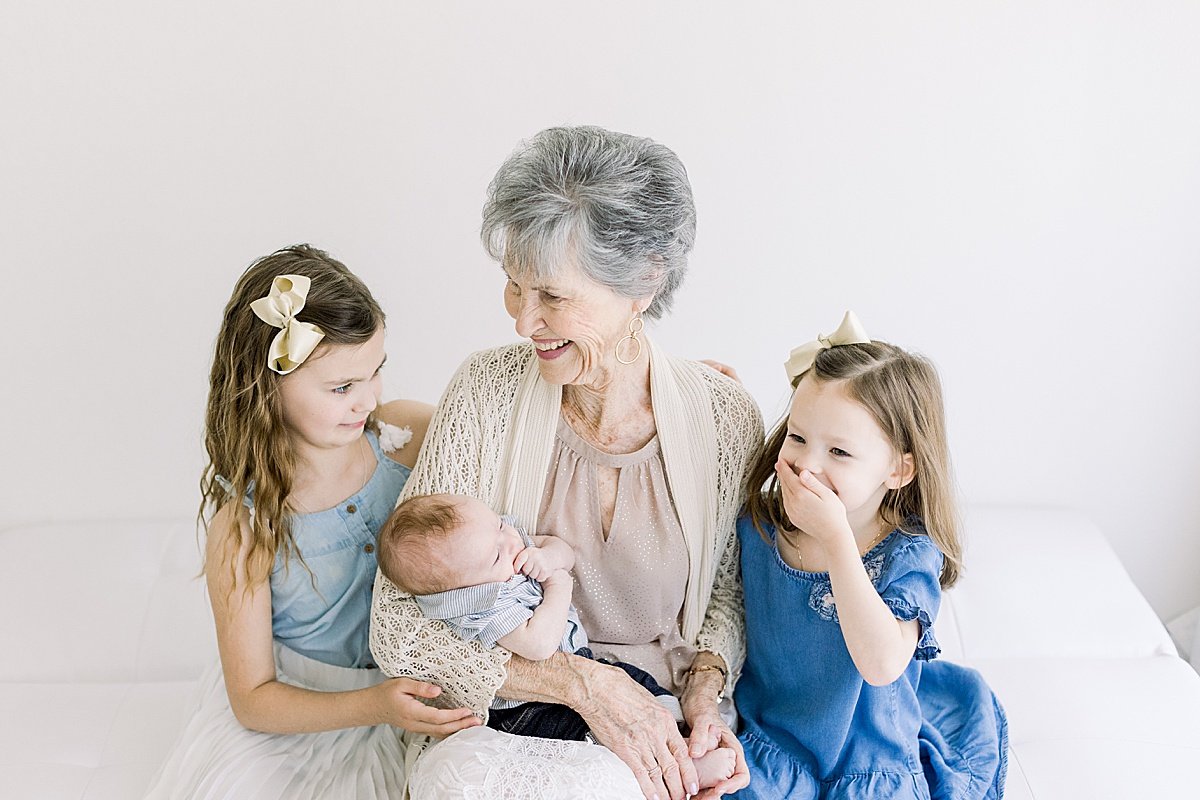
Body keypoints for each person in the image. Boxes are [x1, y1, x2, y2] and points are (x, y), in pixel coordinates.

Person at [369, 125, 763, 800]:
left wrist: (703, 699)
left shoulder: (723, 418)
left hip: (656, 716)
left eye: (552, 296)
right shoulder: (485, 391)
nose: (524, 322)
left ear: (643, 282)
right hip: (505, 721)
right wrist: (583, 684)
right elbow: (397, 628)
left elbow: (726, 596)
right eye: (514, 288)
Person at [143, 245, 480, 800]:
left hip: (418, 688)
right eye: (342, 387)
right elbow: (253, 696)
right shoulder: (246, 526)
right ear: (267, 388)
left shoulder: (403, 436)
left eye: (375, 372)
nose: (368, 398)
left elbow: (498, 456)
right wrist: (373, 704)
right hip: (306, 714)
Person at [732, 312, 1008, 799]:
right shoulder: (759, 527)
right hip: (775, 746)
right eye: (798, 437)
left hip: (870, 757)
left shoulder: (907, 552)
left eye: (839, 452)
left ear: (899, 470)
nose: (807, 464)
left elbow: (881, 665)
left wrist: (837, 542)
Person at [376, 493, 739, 789]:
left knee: (636, 687)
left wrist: (548, 557)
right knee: (584, 735)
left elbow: (563, 551)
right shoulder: (484, 606)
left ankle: (677, 730)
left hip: (584, 659)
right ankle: (666, 772)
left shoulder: (495, 542)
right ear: (463, 589)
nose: (512, 541)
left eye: (501, 525)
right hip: (529, 707)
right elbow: (539, 646)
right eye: (498, 554)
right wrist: (558, 585)